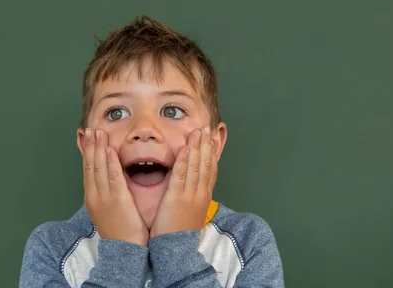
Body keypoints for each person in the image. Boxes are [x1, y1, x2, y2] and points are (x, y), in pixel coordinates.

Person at [19, 15, 284, 287]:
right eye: (116, 112)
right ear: (87, 146)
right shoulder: (51, 248)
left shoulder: (249, 242)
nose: (144, 128)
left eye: (172, 111)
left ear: (214, 144)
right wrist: (122, 250)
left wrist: (176, 248)